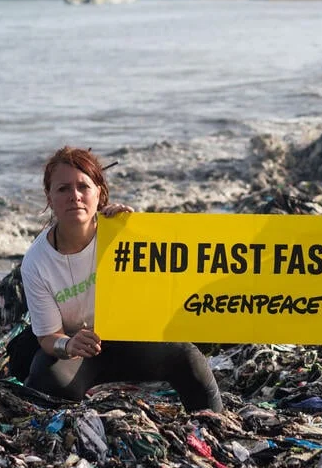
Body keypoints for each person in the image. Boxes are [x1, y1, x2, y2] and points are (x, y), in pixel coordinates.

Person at [21, 146, 224, 413]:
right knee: (48, 381)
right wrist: (68, 344)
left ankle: (216, 423)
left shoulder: (120, 233)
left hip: (129, 339)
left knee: (187, 356)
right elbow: (48, 337)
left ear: (99, 192)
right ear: (49, 196)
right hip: (80, 350)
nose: (75, 196)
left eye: (83, 186)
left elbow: (168, 277)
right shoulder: (37, 261)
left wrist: (136, 230)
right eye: (63, 189)